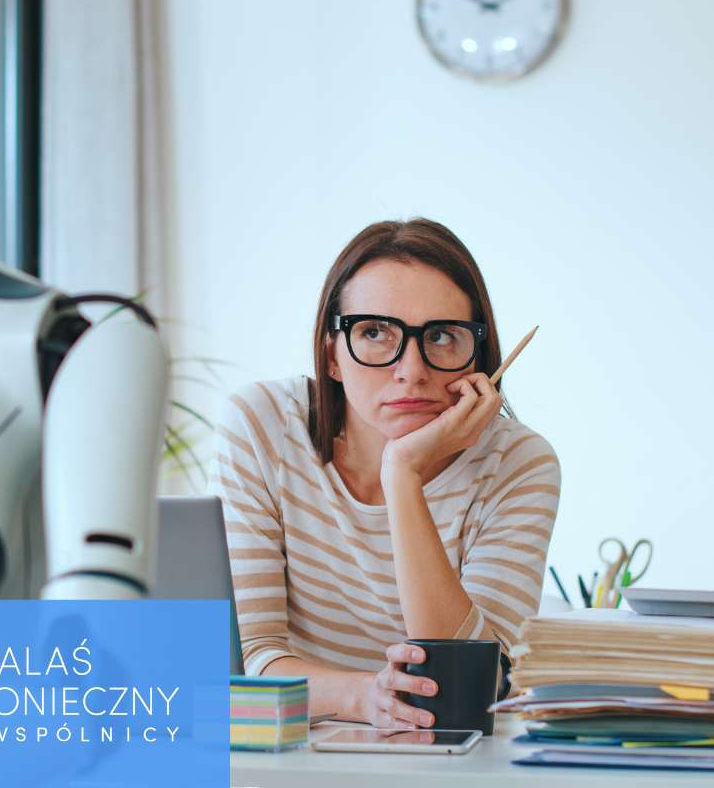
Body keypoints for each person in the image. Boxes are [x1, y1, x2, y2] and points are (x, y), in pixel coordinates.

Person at [214, 217, 561, 728]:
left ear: (479, 359)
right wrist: (364, 698)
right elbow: (246, 659)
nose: (412, 369)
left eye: (442, 335)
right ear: (332, 354)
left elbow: (469, 688)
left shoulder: (519, 465)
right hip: (291, 757)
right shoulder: (263, 425)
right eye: (375, 332)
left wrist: (402, 471)